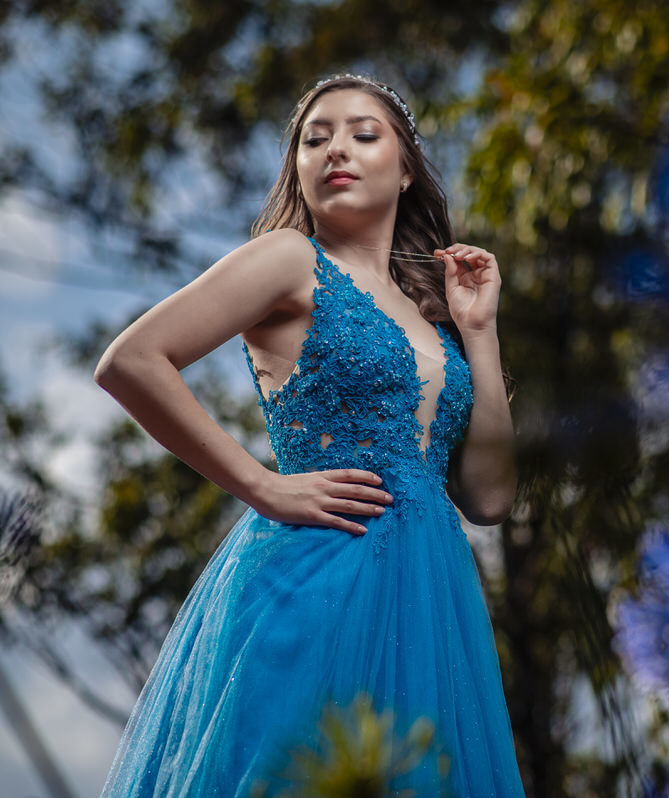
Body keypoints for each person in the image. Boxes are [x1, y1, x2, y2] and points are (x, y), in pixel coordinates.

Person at [94, 74, 525, 796]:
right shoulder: (290, 259)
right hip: (317, 578)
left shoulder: (437, 318)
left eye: (363, 133)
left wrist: (479, 334)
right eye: (314, 138)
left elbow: (488, 497)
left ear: (407, 167)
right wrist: (261, 484)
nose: (335, 150)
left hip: (432, 607)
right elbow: (131, 361)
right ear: (296, 165)